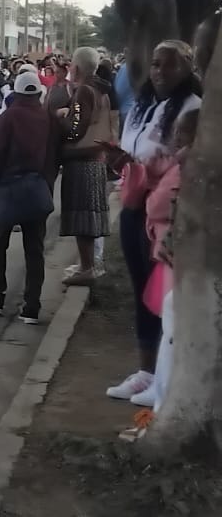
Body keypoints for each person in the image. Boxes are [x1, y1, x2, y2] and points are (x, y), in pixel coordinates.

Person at [104, 40, 202, 406]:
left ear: (188, 68)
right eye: (156, 64)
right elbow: (142, 156)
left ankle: (164, 376)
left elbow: (180, 165)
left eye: (170, 65)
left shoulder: (193, 109)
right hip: (135, 204)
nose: (160, 72)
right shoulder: (144, 105)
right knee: (142, 289)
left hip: (164, 213)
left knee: (163, 295)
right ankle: (146, 371)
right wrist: (121, 160)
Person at [0, 72, 55, 325]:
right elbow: (54, 154)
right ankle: (32, 306)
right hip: (37, 187)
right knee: (35, 250)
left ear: (17, 93)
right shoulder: (47, 117)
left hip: (9, 187)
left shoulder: (9, 117)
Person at [56, 47, 118, 287]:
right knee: (89, 215)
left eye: (71, 64)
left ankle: (86, 266)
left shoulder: (83, 91)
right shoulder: (102, 90)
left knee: (82, 216)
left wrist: (61, 117)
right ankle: (88, 264)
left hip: (81, 160)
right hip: (97, 158)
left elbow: (75, 128)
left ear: (77, 67)